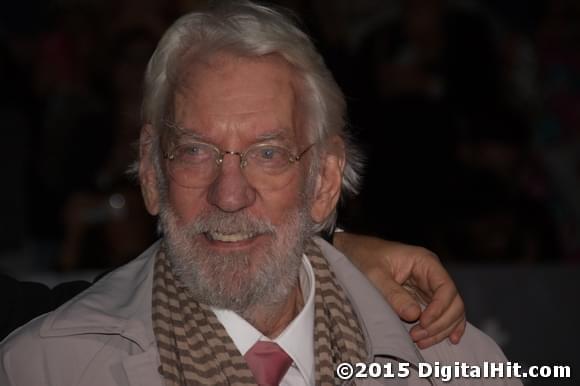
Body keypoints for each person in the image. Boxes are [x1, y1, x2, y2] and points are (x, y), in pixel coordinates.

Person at [0, 2, 518, 385]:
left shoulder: (462, 368)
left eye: (268, 153)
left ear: (324, 181)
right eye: (196, 151)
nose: (229, 196)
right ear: (153, 174)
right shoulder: (42, 369)